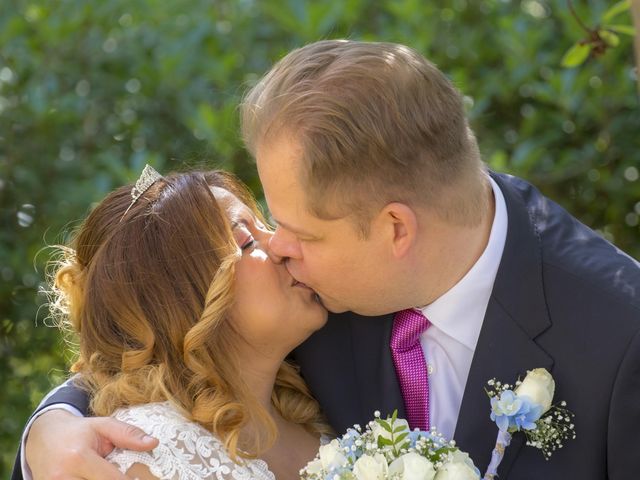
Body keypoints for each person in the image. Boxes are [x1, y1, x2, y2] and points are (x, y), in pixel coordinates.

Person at [14, 40, 640, 479]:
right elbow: (161, 351)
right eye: (265, 222)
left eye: (298, 231)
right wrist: (49, 430)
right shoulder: (307, 298)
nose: (278, 248)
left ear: (396, 229)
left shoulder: (620, 339)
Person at [15, 167, 329, 480]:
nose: (280, 243)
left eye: (266, 226)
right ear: (186, 300)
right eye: (246, 240)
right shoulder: (150, 457)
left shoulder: (318, 413)